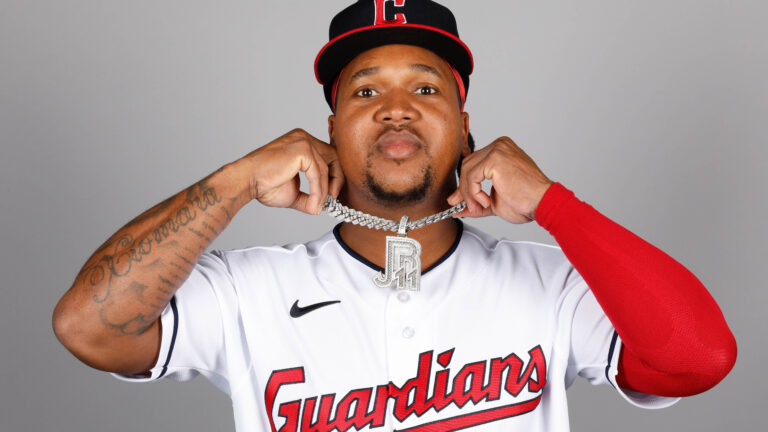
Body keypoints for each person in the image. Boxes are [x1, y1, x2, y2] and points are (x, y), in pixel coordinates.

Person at [52, 1, 736, 430]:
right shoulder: (245, 291)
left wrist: (555, 206)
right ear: (329, 132)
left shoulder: (551, 285)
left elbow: (697, 359)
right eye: (366, 89)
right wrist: (234, 182)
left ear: (466, 129)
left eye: (426, 87)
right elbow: (90, 326)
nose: (396, 107)